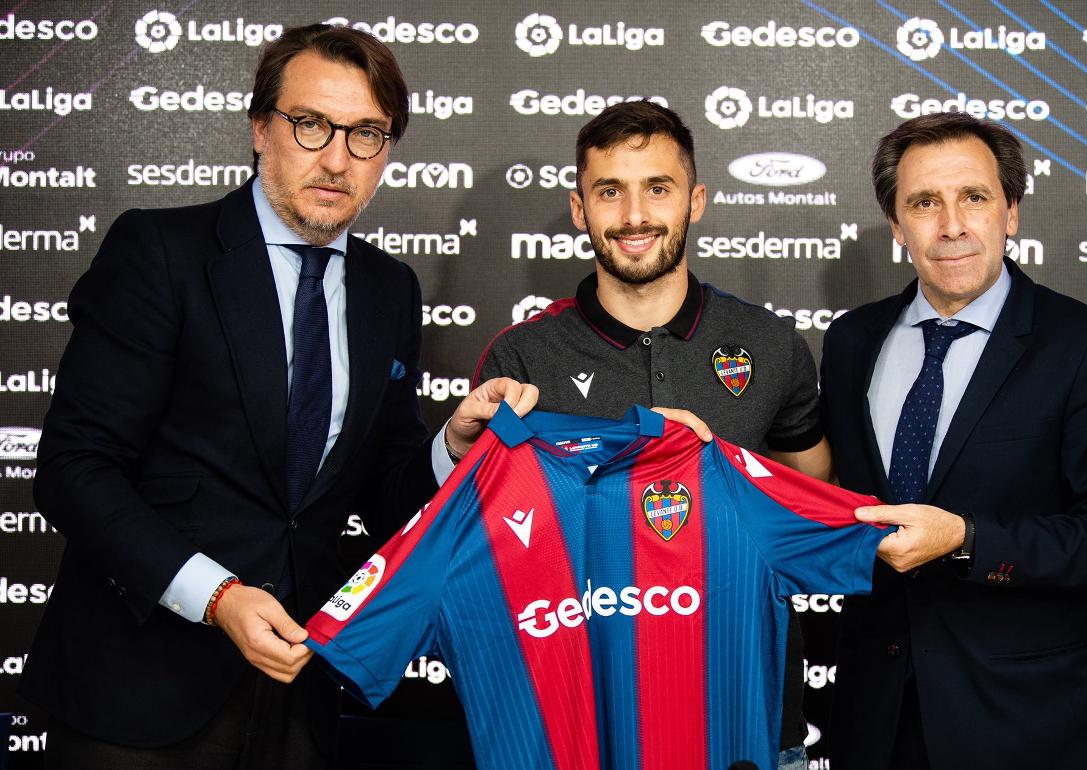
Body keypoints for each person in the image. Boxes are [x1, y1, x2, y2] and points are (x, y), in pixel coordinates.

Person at [20, 24, 534, 769]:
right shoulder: (162, 253)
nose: (336, 158)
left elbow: (382, 488)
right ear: (261, 129)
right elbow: (74, 469)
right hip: (136, 694)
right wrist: (219, 596)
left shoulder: (389, 290)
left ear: (387, 152)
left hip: (298, 697)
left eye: (366, 134)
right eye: (311, 124)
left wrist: (449, 446)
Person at [473, 100, 830, 770]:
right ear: (580, 208)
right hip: (584, 722)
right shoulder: (522, 358)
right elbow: (499, 550)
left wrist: (716, 470)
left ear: (695, 200)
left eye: (657, 188)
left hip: (746, 715)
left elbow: (813, 502)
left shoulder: (772, 344)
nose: (634, 216)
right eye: (610, 191)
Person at [818, 112, 1087, 769]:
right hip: (873, 726)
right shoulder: (851, 341)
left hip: (1027, 729)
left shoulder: (1085, 343)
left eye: (974, 197)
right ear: (896, 225)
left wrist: (967, 540)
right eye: (924, 203)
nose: (951, 226)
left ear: (1011, 213)